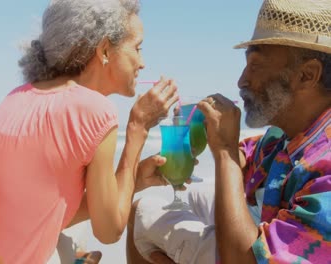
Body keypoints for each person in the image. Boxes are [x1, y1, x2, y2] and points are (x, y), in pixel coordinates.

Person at [0, 0, 178, 263]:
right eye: (137, 48)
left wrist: (132, 180)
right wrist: (138, 127)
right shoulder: (96, 110)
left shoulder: (19, 96)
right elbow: (109, 230)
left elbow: (40, 213)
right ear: (104, 50)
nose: (142, 63)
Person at [127, 0, 331, 263]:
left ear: (307, 75)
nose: (241, 81)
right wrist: (233, 152)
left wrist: (224, 152)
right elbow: (252, 149)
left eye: (255, 66)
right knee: (167, 200)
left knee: (144, 212)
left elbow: (243, 260)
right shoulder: (286, 136)